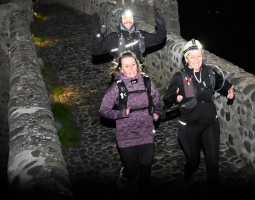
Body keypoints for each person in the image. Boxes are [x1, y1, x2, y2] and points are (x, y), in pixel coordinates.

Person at [163, 39, 235, 198]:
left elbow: (225, 85)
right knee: (194, 161)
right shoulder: (179, 77)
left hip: (210, 123)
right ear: (186, 58)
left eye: (199, 56)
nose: (196, 60)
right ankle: (187, 179)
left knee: (213, 163)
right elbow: (166, 100)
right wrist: (176, 98)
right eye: (192, 57)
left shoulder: (210, 72)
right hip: (189, 127)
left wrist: (230, 91)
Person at [99, 51, 161, 197]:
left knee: (145, 175)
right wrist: (120, 114)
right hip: (125, 135)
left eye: (133, 64)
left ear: (137, 65)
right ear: (121, 69)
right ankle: (125, 173)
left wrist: (156, 112)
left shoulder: (147, 81)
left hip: (146, 132)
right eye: (127, 66)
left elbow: (157, 100)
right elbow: (103, 110)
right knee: (132, 171)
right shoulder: (117, 87)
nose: (132, 69)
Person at [91, 7, 167, 65]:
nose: (128, 20)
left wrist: (161, 26)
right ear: (121, 20)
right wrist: (100, 35)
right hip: (121, 74)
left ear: (134, 20)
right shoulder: (113, 38)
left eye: (131, 17)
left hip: (137, 72)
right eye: (125, 18)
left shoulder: (141, 35)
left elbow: (159, 38)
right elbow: (96, 51)